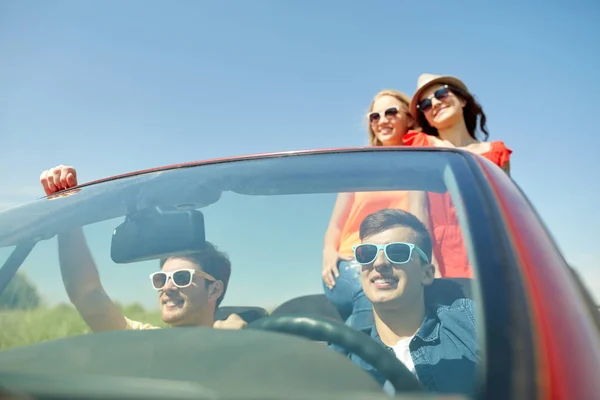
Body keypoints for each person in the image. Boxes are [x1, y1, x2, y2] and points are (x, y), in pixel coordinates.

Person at [40, 165, 246, 331]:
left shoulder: (238, 340)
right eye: (161, 279)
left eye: (182, 277)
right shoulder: (145, 340)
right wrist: (66, 210)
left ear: (214, 289)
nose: (167, 287)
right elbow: (86, 294)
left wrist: (238, 343)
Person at [322, 90, 438, 331]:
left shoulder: (418, 163)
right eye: (374, 116)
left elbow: (419, 218)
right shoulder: (359, 165)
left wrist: (426, 260)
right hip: (353, 260)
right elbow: (336, 223)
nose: (382, 120)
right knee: (375, 294)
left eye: (391, 112)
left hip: (396, 258)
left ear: (409, 118)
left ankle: (336, 359)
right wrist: (328, 253)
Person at [349, 208, 479, 395]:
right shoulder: (343, 357)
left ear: (426, 273)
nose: (379, 263)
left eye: (398, 252)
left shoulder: (469, 322)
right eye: (367, 253)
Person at [403, 73, 514, 278]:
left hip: (491, 257)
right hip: (440, 261)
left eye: (441, 93)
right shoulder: (421, 147)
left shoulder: (496, 152)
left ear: (462, 99)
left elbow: (506, 214)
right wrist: (426, 261)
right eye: (425, 104)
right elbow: (418, 208)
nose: (434, 103)